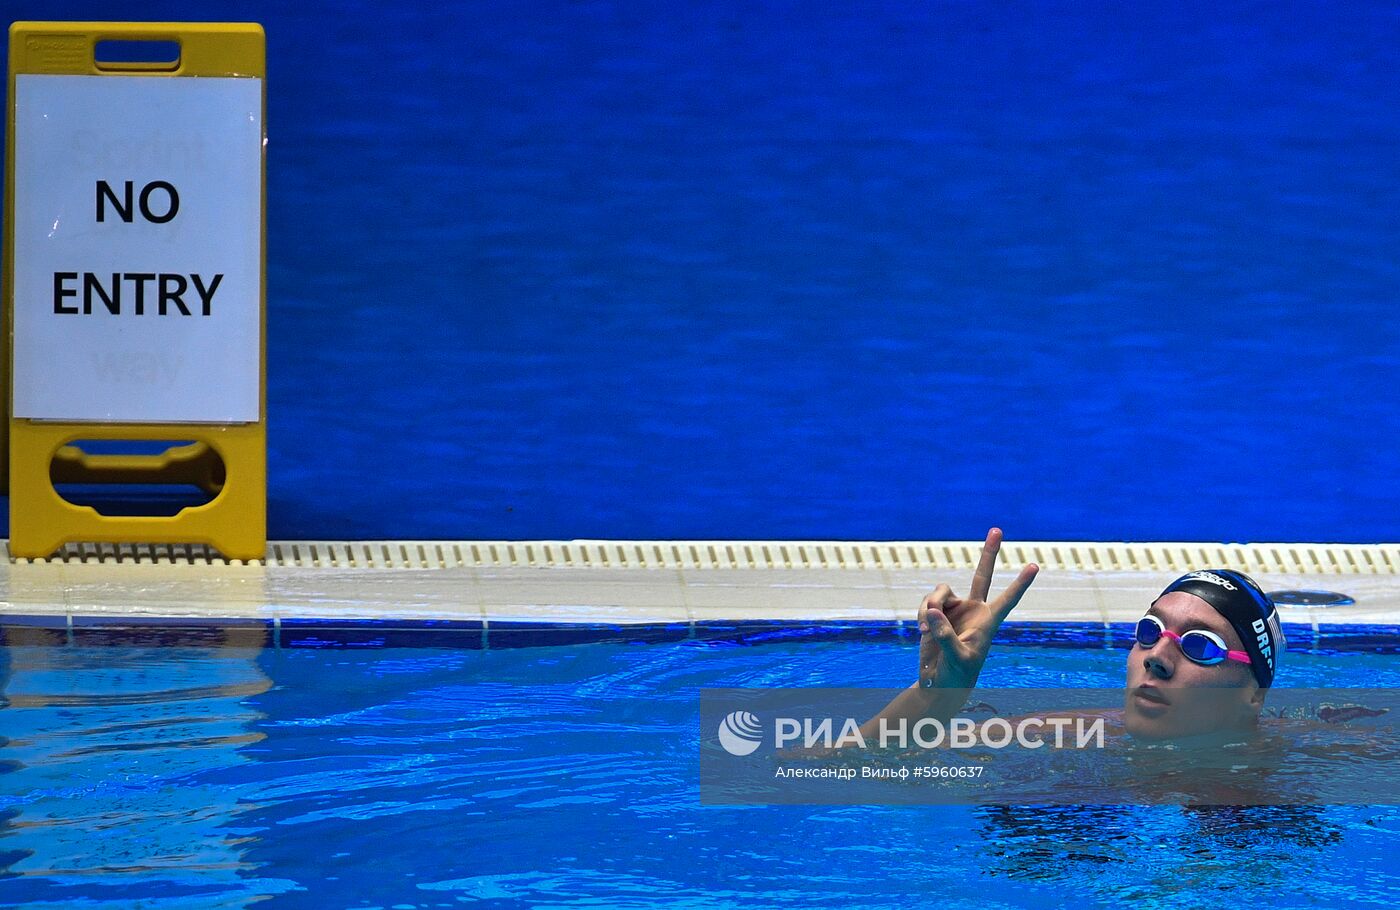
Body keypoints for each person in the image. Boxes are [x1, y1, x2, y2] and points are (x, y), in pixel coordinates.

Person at [860, 527, 1287, 743]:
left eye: (1199, 645)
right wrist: (937, 695)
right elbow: (832, 765)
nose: (1156, 656)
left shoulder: (1319, 760)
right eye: (1148, 630)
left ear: (1255, 694)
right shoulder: (1066, 739)